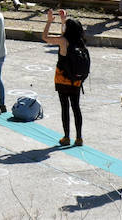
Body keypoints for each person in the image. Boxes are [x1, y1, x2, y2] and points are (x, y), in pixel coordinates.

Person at [42, 9, 88, 146]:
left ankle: (66, 137)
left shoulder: (63, 41)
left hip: (62, 79)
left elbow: (45, 37)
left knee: (65, 108)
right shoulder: (80, 42)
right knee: (76, 107)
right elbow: (65, 32)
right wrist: (63, 21)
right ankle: (79, 138)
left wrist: (49, 22)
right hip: (76, 81)